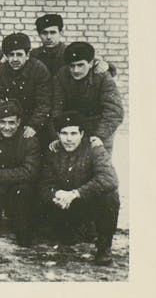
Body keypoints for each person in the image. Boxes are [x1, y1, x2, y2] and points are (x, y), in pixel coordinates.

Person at [40, 111, 120, 265]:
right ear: (58, 134)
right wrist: (56, 193)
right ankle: (81, 230)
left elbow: (109, 179)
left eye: (73, 133)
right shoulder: (53, 150)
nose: (69, 139)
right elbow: (44, 184)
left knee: (110, 197)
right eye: (64, 133)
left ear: (82, 133)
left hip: (85, 202)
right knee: (67, 240)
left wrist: (77, 193)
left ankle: (104, 247)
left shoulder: (94, 148)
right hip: (64, 205)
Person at [0, 99, 41, 246]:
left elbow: (30, 171)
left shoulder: (28, 139)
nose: (7, 127)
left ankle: (21, 226)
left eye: (11, 123)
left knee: (23, 192)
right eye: (2, 122)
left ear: (19, 122)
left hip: (17, 188)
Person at [52, 41, 124, 154]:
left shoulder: (102, 76)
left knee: (99, 164)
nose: (76, 70)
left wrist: (99, 136)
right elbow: (57, 107)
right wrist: (59, 134)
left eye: (81, 65)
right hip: (72, 129)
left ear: (91, 63)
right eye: (72, 66)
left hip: (98, 128)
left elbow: (114, 111)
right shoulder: (61, 76)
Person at [0, 32, 51, 142]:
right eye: (11, 55)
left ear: (27, 55)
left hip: (32, 119)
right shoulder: (0, 70)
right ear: (6, 56)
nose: (15, 59)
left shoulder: (39, 70)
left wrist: (34, 126)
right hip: (8, 120)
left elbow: (44, 103)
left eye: (19, 54)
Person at [31, 13, 115, 77]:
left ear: (61, 33)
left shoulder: (71, 51)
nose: (48, 37)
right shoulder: (34, 55)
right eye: (44, 33)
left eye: (53, 32)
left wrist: (104, 64)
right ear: (39, 34)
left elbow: (105, 67)